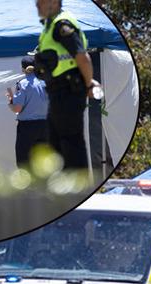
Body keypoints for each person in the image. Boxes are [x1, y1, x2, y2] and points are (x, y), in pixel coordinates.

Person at [34, 0, 102, 171]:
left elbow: (81, 56)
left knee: (71, 144)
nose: (36, 4)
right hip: (57, 93)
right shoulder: (49, 27)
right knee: (56, 145)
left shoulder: (62, 24)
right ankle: (64, 192)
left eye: (40, 1)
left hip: (68, 90)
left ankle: (78, 189)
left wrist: (88, 83)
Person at [7, 56, 49, 170]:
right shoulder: (45, 82)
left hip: (28, 128)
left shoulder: (23, 84)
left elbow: (17, 109)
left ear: (22, 69)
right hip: (46, 126)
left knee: (24, 161)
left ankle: (29, 187)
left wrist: (11, 100)